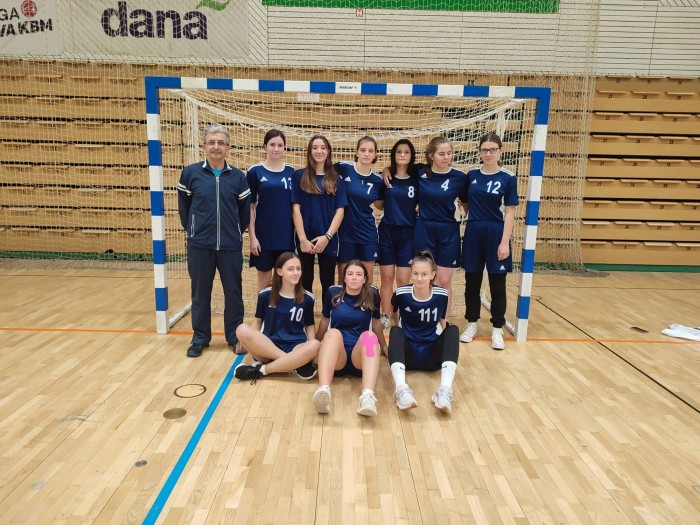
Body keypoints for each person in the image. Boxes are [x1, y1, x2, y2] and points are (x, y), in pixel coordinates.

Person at [177, 124, 251, 358]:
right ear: (204, 146)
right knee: (200, 293)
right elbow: (184, 208)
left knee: (233, 293)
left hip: (230, 246)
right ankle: (200, 338)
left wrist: (235, 232)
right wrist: (194, 231)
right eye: (212, 142)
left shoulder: (238, 177)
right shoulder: (190, 174)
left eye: (221, 143)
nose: (216, 147)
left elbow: (245, 213)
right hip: (200, 246)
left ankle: (234, 337)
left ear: (228, 148)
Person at [460, 132, 518, 351]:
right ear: (479, 152)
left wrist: (504, 242)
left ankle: (497, 328)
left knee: (497, 284)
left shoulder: (508, 178)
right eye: (485, 150)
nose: (488, 153)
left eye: (493, 149)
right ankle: (472, 324)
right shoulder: (472, 175)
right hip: (474, 231)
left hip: (496, 233)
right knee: (472, 282)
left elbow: (510, 212)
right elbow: (465, 203)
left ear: (500, 151)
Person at [312, 260, 386, 417]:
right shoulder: (333, 292)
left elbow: (376, 323)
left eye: (359, 274)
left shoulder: (372, 294)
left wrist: (384, 347)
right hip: (338, 358)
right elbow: (324, 321)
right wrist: (316, 344)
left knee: (369, 336)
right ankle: (324, 390)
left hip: (359, 358)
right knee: (332, 333)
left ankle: (367, 396)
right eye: (350, 274)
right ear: (344, 277)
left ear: (365, 279)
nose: (354, 277)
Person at [388, 251, 459, 414]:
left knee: (452, 330)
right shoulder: (401, 293)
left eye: (424, 274)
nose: (419, 278)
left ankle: (444, 390)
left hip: (431, 356)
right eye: (415, 274)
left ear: (433, 274)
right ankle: (401, 389)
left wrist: (446, 345)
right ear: (410, 273)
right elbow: (394, 313)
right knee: (395, 330)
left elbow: (442, 321)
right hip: (408, 356)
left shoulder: (441, 294)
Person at [233, 252, 320, 381]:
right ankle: (294, 364)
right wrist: (248, 342)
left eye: (298, 269)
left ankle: (262, 370)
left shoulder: (308, 298)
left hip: (296, 347)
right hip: (268, 347)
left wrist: (310, 354)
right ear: (279, 271)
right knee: (241, 329)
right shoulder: (265, 295)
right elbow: (258, 322)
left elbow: (310, 326)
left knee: (315, 344)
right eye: (290, 269)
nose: (296, 273)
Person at [412, 136, 468, 318]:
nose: (446, 157)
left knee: (443, 280)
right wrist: (386, 170)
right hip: (424, 230)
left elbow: (466, 204)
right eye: (441, 154)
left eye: (449, 153)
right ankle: (420, 318)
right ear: (431, 156)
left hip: (448, 232)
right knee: (422, 278)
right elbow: (398, 168)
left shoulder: (459, 178)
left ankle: (443, 322)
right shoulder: (420, 172)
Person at [291, 135, 346, 306]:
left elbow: (340, 211)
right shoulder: (299, 176)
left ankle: (327, 318)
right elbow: (295, 209)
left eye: (323, 147)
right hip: (304, 239)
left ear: (328, 151)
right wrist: (302, 239)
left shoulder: (336, 179)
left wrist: (328, 236)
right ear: (309, 151)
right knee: (304, 281)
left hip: (328, 239)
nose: (319, 151)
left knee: (327, 282)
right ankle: (305, 318)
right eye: (315, 147)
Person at [246, 129, 296, 291]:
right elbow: (250, 207)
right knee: (264, 282)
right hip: (263, 238)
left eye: (280, 145)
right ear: (264, 147)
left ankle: (281, 309)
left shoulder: (291, 172)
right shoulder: (254, 171)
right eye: (272, 145)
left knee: (285, 281)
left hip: (286, 237)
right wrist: (253, 237)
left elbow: (295, 207)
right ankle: (262, 309)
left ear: (284, 148)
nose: (276, 149)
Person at [377, 139, 418, 331]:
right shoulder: (386, 179)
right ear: (393, 155)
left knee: (403, 280)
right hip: (387, 232)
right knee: (386, 278)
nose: (402, 155)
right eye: (398, 151)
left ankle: (400, 316)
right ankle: (385, 314)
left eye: (406, 152)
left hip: (408, 234)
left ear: (411, 156)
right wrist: (386, 170)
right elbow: (378, 204)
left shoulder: (417, 179)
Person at [336, 136, 384, 284]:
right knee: (344, 280)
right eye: (363, 150)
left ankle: (367, 301)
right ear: (356, 152)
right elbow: (322, 170)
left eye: (370, 151)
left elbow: (380, 205)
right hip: (345, 232)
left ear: (375, 155)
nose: (366, 154)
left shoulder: (378, 180)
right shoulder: (344, 168)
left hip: (367, 233)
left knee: (367, 280)